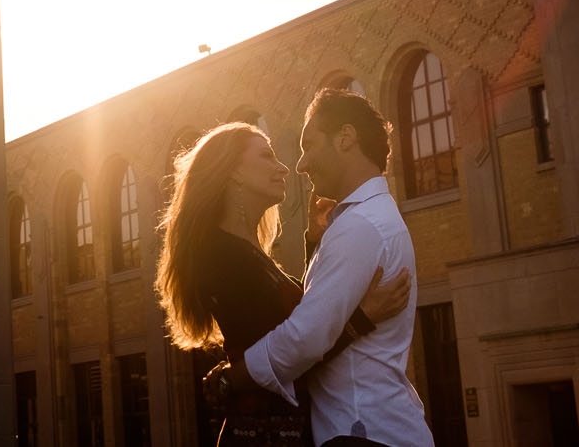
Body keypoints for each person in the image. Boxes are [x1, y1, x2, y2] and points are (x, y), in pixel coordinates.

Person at [154, 120, 411, 446]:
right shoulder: (221, 256)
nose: (284, 169)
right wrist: (362, 319)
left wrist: (314, 246)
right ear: (233, 171)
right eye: (266, 157)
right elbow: (294, 350)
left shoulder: (246, 252)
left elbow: (292, 320)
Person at [225, 89, 436, 447]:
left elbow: (306, 337)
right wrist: (315, 245)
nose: (301, 164)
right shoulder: (364, 220)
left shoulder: (360, 226)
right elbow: (322, 314)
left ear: (346, 138)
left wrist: (236, 375)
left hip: (363, 433)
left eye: (309, 145)